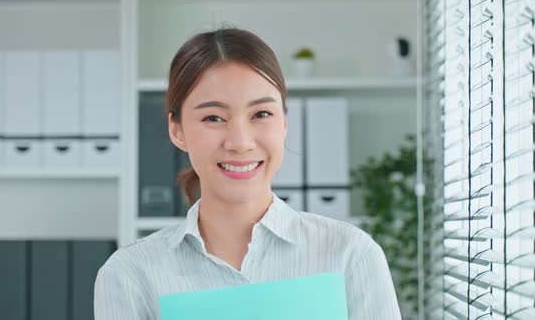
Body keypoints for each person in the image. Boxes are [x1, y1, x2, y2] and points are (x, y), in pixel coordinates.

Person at [94, 28, 402, 319]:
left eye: (261, 114)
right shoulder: (130, 274)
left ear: (284, 123)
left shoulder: (351, 255)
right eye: (213, 117)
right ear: (177, 130)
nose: (240, 142)